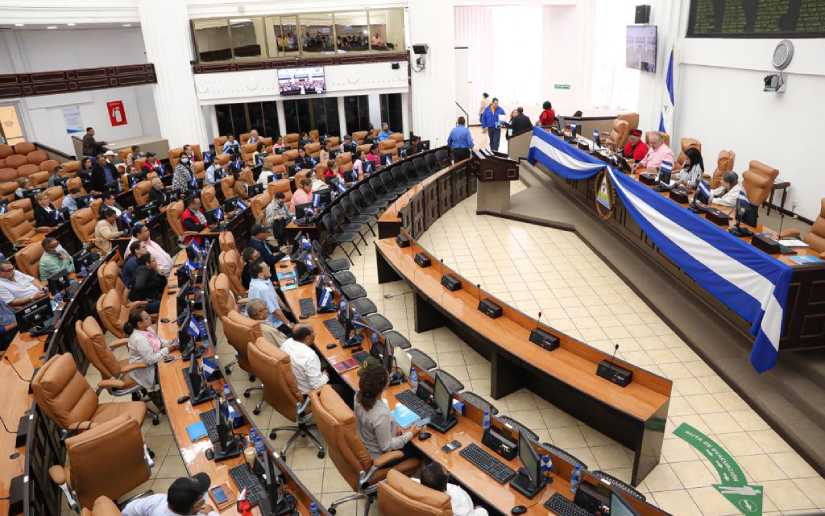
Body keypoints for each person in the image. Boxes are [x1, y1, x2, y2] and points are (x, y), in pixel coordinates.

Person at [355, 365, 419, 458]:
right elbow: (386, 447)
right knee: (417, 451)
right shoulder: (380, 414)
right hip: (379, 456)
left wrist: (393, 425)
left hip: (367, 442)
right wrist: (411, 433)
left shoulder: (358, 395)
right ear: (384, 386)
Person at [122, 308, 175, 412]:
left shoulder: (148, 329)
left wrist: (171, 342)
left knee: (175, 359)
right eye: (146, 318)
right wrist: (168, 349)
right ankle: (163, 405)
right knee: (172, 367)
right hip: (143, 368)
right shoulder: (139, 339)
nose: (150, 318)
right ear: (139, 324)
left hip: (152, 359)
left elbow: (159, 342)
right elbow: (150, 359)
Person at [280, 324, 341, 396]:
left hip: (294, 384)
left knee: (326, 366)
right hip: (308, 393)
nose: (315, 334)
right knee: (345, 389)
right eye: (313, 332)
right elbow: (317, 385)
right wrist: (326, 376)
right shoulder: (310, 356)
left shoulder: (287, 343)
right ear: (308, 337)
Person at [121, 473, 218, 516]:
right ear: (196, 506)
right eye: (201, 499)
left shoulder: (157, 500)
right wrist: (210, 512)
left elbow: (128, 511)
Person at [419, 462, 489, 516]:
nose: (447, 471)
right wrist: (480, 509)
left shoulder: (416, 483)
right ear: (444, 485)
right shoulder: (460, 499)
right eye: (446, 472)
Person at [247, 260, 292, 336]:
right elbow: (275, 311)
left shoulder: (262, 279)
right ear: (260, 274)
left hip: (277, 316)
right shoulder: (263, 288)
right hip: (274, 325)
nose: (269, 268)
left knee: (294, 314)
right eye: (266, 268)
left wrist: (287, 309)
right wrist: (289, 325)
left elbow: (275, 296)